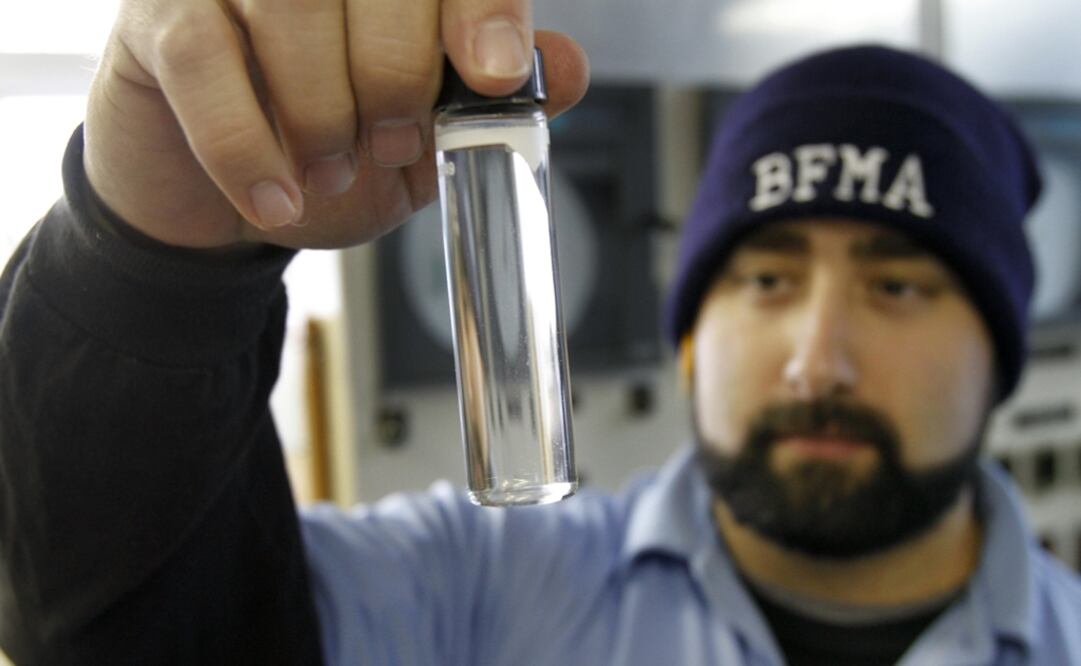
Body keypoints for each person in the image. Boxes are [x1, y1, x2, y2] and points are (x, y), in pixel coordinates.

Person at [1, 0, 1078, 662]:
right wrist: (152, 266)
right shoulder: (476, 591)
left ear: (999, 351)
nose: (815, 359)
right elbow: (117, 623)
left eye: (898, 288)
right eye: (762, 276)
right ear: (691, 335)